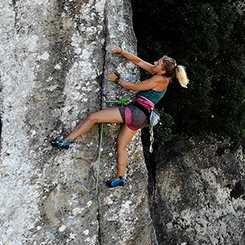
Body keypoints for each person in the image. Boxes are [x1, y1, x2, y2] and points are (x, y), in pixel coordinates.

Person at [52, 45, 189, 187]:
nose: (155, 63)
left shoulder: (159, 79)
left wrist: (116, 80)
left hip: (136, 111)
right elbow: (140, 62)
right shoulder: (160, 75)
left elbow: (134, 87)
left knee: (93, 117)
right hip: (142, 117)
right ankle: (120, 178)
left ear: (163, 70)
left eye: (158, 63)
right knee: (121, 146)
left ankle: (66, 141)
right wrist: (121, 51)